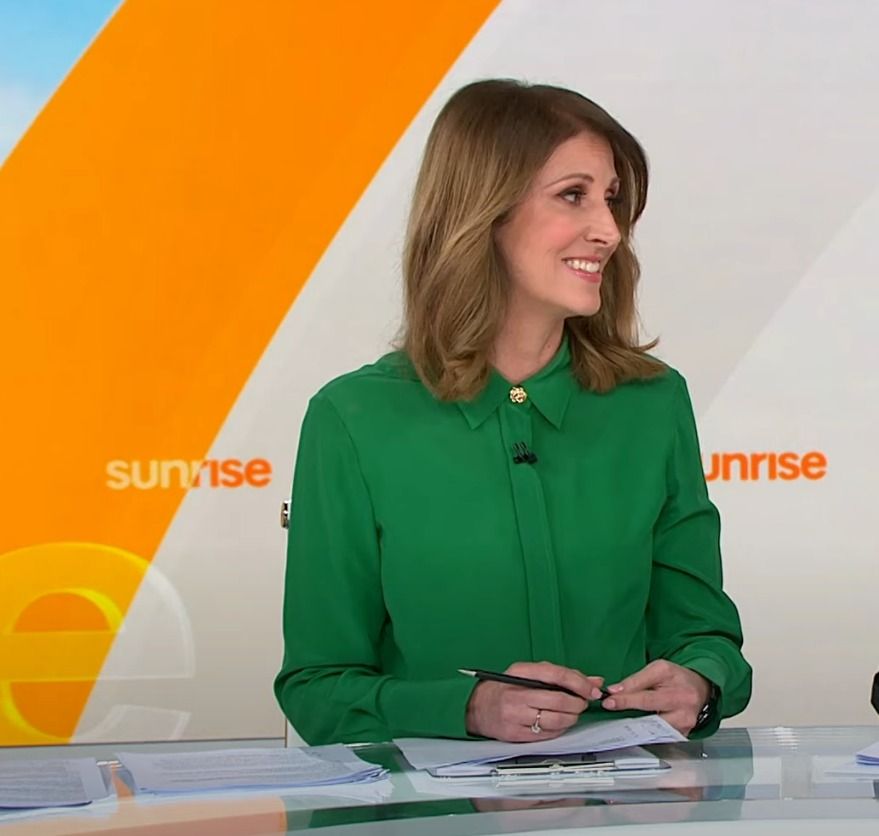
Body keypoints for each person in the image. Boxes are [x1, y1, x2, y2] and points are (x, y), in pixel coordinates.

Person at [274, 79, 752, 745]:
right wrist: (466, 709)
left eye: (611, 199)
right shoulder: (352, 417)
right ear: (484, 210)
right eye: (573, 195)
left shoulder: (654, 402)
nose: (609, 231)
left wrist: (699, 682)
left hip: (625, 797)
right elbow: (317, 687)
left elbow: (705, 636)